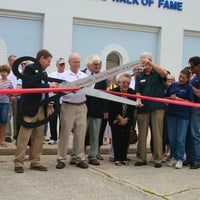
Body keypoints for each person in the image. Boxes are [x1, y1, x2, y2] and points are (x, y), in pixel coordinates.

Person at [14, 49, 59, 173]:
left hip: (41, 108)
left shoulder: (44, 74)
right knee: (24, 136)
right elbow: (30, 85)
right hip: (30, 108)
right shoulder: (29, 69)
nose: (49, 64)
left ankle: (36, 162)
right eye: (48, 61)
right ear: (41, 58)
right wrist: (48, 86)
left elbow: (44, 91)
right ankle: (18, 163)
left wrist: (49, 103)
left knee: (39, 137)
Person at [135, 52, 168, 168]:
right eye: (141, 60)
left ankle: (158, 159)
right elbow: (138, 91)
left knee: (157, 134)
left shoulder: (157, 73)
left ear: (150, 60)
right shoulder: (140, 76)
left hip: (157, 108)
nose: (142, 62)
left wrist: (151, 64)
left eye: (144, 60)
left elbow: (165, 74)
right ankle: (141, 158)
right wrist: (138, 100)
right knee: (142, 135)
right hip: (143, 108)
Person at [56, 53, 88, 169]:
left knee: (80, 133)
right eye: (74, 61)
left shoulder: (84, 75)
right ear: (69, 62)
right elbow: (59, 90)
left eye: (78, 62)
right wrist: (70, 90)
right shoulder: (63, 76)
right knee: (65, 132)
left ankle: (79, 158)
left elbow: (90, 89)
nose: (77, 64)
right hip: (68, 105)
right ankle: (61, 158)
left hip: (81, 106)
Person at [165, 69, 193, 169]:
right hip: (171, 114)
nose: (180, 79)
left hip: (183, 115)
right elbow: (166, 97)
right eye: (180, 76)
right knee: (172, 138)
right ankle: (173, 156)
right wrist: (170, 99)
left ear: (187, 79)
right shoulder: (173, 85)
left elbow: (190, 102)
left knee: (180, 139)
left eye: (183, 78)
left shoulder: (188, 88)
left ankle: (180, 158)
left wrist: (178, 99)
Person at [83, 55, 108, 166]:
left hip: (97, 109)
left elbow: (104, 95)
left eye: (99, 64)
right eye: (95, 64)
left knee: (95, 135)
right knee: (81, 134)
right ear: (89, 65)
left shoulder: (102, 77)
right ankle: (77, 155)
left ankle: (92, 156)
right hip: (83, 108)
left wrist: (105, 110)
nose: (98, 66)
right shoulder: (81, 75)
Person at [108, 72, 136, 166]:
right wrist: (120, 118)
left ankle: (124, 158)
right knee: (117, 139)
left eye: (128, 83)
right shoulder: (114, 92)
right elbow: (111, 107)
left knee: (125, 139)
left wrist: (126, 119)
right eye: (124, 82)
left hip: (127, 120)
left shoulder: (132, 93)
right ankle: (117, 159)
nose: (126, 85)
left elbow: (132, 108)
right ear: (119, 82)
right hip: (115, 119)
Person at [184, 56, 200, 169]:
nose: (191, 68)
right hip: (190, 108)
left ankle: (197, 159)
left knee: (195, 134)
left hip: (197, 109)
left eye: (192, 66)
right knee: (188, 134)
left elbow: (199, 93)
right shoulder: (194, 77)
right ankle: (189, 157)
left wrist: (189, 85)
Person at [48, 58, 66, 145]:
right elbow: (50, 89)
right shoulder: (52, 75)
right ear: (57, 65)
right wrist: (50, 102)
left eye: (63, 64)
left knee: (63, 120)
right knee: (52, 119)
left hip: (63, 101)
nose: (62, 66)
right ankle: (53, 137)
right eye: (60, 64)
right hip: (54, 100)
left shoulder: (66, 75)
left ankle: (62, 138)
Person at [0, 64, 13, 147]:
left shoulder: (10, 82)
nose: (2, 73)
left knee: (4, 122)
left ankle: (2, 140)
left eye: (4, 71)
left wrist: (8, 91)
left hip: (5, 104)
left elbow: (12, 94)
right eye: (1, 71)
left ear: (8, 73)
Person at [5, 55, 17, 142]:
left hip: (17, 96)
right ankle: (7, 134)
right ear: (9, 61)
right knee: (7, 116)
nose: (15, 61)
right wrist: (10, 95)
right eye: (13, 60)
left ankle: (16, 134)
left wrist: (15, 95)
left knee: (16, 116)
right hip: (7, 96)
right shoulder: (5, 72)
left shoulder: (19, 71)